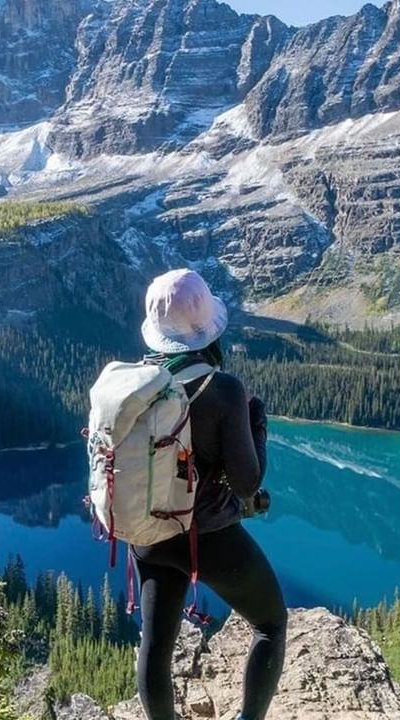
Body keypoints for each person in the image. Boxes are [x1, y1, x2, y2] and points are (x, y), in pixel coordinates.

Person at [132, 268, 287, 720]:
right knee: (270, 624)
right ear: (206, 329)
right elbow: (246, 483)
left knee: (156, 646)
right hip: (210, 538)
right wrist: (257, 423)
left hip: (148, 533)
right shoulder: (222, 390)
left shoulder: (137, 383)